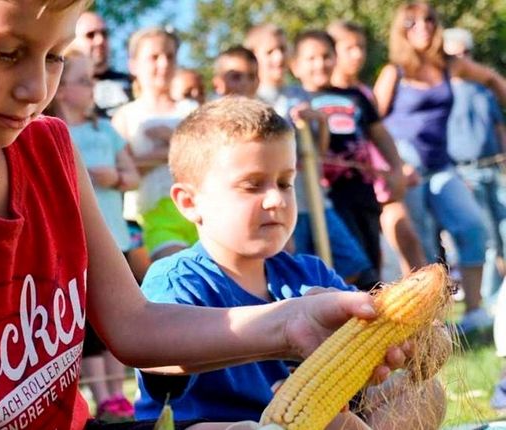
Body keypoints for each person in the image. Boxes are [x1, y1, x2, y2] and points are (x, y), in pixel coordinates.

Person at [0, 1, 410, 428]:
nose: (34, 88)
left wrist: (289, 324)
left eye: (55, 56)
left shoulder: (50, 148)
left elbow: (132, 326)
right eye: (5, 52)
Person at [134, 96, 445, 429]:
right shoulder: (176, 280)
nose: (276, 199)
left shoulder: (308, 273)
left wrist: (417, 340)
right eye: (252, 185)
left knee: (425, 393)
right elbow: (159, 362)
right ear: (190, 202)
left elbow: (381, 338)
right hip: (211, 423)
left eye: (286, 183)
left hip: (310, 420)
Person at [373, 1, 506, 333]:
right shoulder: (394, 72)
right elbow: (370, 119)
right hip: (407, 167)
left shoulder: (450, 66)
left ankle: (475, 312)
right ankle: (430, 322)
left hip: (442, 167)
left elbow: (490, 78)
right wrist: (393, 164)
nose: (424, 27)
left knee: (473, 225)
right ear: (401, 30)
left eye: (430, 20)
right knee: (422, 245)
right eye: (413, 22)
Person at [245, 23, 378, 290]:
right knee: (294, 272)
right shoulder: (252, 101)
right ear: (254, 57)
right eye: (270, 51)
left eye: (282, 50)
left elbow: (319, 150)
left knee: (353, 265)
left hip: (316, 198)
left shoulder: (297, 94)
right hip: (283, 203)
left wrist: (319, 121)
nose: (278, 57)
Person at [49, 50, 140, 421]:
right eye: (84, 81)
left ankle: (118, 391)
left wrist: (115, 179)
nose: (92, 89)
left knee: (114, 316)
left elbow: (133, 174)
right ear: (62, 87)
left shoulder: (106, 130)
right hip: (73, 243)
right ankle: (101, 393)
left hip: (113, 235)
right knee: (85, 325)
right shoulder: (53, 132)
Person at [289, 30, 406, 277]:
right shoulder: (295, 102)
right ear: (296, 65)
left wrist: (396, 168)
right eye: (311, 58)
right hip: (326, 194)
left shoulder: (355, 97)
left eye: (326, 56)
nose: (320, 64)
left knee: (369, 257)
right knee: (336, 263)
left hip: (363, 190)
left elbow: (379, 133)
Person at [328, 20, 427, 277]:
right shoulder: (318, 95)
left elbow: (376, 135)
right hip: (339, 192)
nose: (358, 54)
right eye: (349, 48)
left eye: (361, 47)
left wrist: (396, 168)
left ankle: (423, 309)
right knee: (361, 260)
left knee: (405, 240)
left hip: (375, 183)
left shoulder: (361, 94)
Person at [112, 27, 199, 261]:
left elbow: (208, 158)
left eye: (170, 56)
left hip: (199, 212)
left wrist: (168, 140)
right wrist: (172, 148)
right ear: (134, 64)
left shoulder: (191, 110)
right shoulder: (126, 115)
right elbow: (122, 168)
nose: (164, 64)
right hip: (148, 218)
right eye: (154, 57)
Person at [443, 27, 506, 308]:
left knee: (503, 234)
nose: (461, 59)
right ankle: (488, 302)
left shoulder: (484, 89)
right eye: (454, 54)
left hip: (494, 169)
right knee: (487, 239)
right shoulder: (442, 92)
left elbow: (498, 127)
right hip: (464, 172)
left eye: (465, 53)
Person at [74, 11, 132, 118]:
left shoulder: (133, 83)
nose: (100, 40)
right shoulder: (62, 87)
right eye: (90, 35)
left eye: (104, 34)